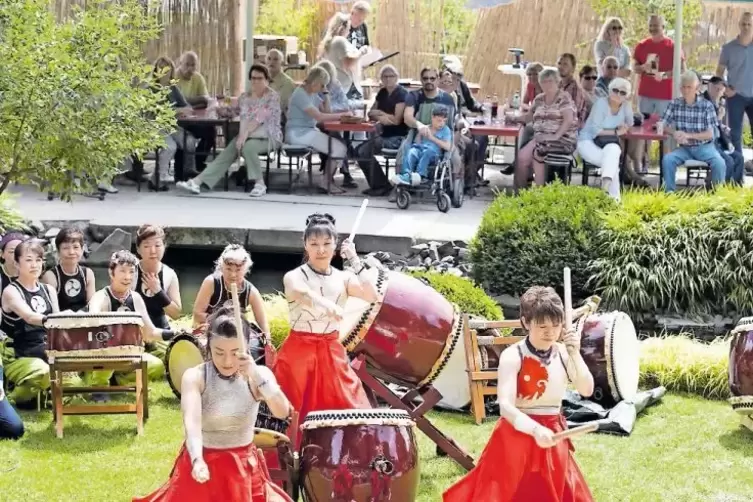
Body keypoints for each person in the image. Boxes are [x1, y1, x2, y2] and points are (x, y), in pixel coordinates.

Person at [443, 286, 594, 502]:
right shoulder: (513, 356)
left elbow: (586, 390)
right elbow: (505, 406)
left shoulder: (562, 352)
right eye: (542, 326)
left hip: (553, 432)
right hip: (516, 435)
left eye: (556, 325)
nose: (550, 332)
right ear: (525, 322)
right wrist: (534, 429)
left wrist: (575, 354)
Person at [132, 307, 292, 502]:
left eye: (235, 353)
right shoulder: (195, 376)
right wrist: (197, 459)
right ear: (208, 347)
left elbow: (282, 411)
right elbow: (192, 423)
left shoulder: (258, 376)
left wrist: (255, 374)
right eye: (219, 352)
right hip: (202, 458)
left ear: (246, 348)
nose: (226, 361)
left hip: (241, 466)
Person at [273, 213, 376, 449]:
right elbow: (300, 292)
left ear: (336, 245)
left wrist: (355, 260)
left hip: (332, 352)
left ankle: (344, 461)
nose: (321, 250)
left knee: (350, 407)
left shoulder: (344, 277)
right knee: (292, 411)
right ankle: (289, 465)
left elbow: (372, 296)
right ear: (305, 245)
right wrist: (325, 304)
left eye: (327, 244)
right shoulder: (294, 275)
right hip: (299, 354)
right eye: (314, 244)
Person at [177, 64, 282, 197]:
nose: (256, 81)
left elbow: (258, 119)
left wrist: (242, 136)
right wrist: (222, 109)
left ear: (267, 80)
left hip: (269, 137)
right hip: (247, 136)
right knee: (228, 152)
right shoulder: (245, 97)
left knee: (247, 147)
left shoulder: (272, 97)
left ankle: (260, 184)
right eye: (253, 78)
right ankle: (197, 182)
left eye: (260, 78)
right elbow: (234, 112)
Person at [1, 240, 76, 406]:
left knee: (74, 382)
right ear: (17, 263)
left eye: (38, 260)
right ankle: (14, 398)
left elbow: (58, 325)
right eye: (28, 260)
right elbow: (29, 316)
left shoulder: (48, 290)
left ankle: (42, 395)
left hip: (46, 349)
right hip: (18, 353)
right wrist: (52, 319)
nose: (34, 265)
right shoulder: (11, 291)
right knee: (43, 372)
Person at [87, 251, 172, 386]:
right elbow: (93, 321)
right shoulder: (101, 297)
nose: (127, 277)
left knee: (156, 366)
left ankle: (118, 380)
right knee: (107, 356)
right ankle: (100, 385)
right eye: (122, 271)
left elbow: (150, 332)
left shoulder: (136, 298)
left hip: (130, 353)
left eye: (131, 272)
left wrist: (175, 334)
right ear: (111, 272)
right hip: (106, 352)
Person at [285, 66, 351, 194]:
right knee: (339, 148)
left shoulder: (312, 94)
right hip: (297, 134)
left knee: (339, 147)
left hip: (307, 132)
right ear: (315, 83)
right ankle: (326, 182)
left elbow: (327, 111)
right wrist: (342, 116)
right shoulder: (300, 94)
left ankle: (327, 181)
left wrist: (326, 94)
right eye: (322, 85)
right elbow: (320, 117)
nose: (323, 88)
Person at [660, 71, 726, 192]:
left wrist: (688, 135)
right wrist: (674, 133)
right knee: (668, 160)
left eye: (689, 87)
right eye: (683, 87)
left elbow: (710, 134)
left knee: (719, 163)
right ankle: (669, 195)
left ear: (697, 88)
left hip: (705, 147)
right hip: (685, 148)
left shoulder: (707, 106)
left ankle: (718, 196)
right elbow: (662, 124)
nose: (686, 90)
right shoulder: (675, 104)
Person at [512, 68, 578, 190]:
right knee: (521, 159)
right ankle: (520, 194)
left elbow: (568, 120)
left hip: (562, 139)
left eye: (550, 81)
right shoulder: (539, 99)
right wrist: (514, 118)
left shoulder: (564, 98)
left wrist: (555, 136)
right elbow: (529, 116)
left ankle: (540, 193)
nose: (547, 84)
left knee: (539, 153)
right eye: (544, 82)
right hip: (541, 138)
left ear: (558, 82)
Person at [192, 245, 270, 338]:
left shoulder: (251, 292)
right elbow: (197, 314)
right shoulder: (211, 282)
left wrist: (267, 342)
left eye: (238, 270)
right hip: (208, 331)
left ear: (245, 270)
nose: (233, 275)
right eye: (228, 269)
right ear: (221, 267)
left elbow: (262, 322)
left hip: (235, 335)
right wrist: (223, 322)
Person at [577, 78, 634, 201]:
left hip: (607, 144)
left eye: (623, 92)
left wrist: (624, 125)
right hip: (587, 141)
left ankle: (605, 190)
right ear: (609, 91)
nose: (618, 94)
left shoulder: (625, 106)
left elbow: (630, 122)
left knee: (614, 150)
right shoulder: (601, 104)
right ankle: (613, 199)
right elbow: (595, 131)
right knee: (612, 162)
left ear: (627, 95)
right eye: (615, 90)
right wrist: (616, 131)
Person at [133, 225, 182, 362]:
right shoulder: (131, 272)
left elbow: (176, 313)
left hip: (160, 332)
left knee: (177, 356)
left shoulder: (169, 274)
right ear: (138, 249)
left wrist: (158, 291)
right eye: (147, 246)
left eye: (157, 245)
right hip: (135, 333)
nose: (153, 251)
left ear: (164, 247)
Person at [357, 64, 407, 195]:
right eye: (385, 76)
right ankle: (379, 184)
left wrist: (381, 115)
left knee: (364, 151)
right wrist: (382, 115)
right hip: (384, 135)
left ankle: (381, 186)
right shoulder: (382, 92)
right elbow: (371, 113)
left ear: (396, 77)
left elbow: (397, 120)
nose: (388, 79)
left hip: (399, 138)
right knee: (360, 151)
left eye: (391, 76)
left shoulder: (401, 93)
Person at [633, 15, 684, 120]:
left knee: (664, 129)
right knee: (643, 127)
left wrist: (664, 75)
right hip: (645, 95)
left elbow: (682, 70)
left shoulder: (673, 46)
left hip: (666, 96)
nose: (652, 28)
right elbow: (634, 67)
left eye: (656, 25)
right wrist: (642, 67)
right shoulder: (642, 45)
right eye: (650, 25)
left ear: (663, 26)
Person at [716, 11, 753, 154]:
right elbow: (719, 72)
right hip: (736, 96)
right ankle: (738, 173)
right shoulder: (728, 48)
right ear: (739, 25)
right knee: (735, 135)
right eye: (743, 24)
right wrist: (725, 88)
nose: (746, 27)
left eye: (749, 24)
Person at [174, 51, 214, 175]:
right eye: (187, 65)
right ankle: (180, 172)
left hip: (193, 119)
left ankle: (198, 163)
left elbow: (206, 100)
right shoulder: (173, 78)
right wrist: (193, 102)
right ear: (180, 64)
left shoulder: (198, 78)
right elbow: (176, 104)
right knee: (185, 138)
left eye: (193, 65)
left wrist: (188, 103)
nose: (190, 68)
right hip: (176, 121)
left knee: (211, 132)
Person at [391, 105, 452, 186]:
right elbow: (417, 142)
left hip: (434, 153)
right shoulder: (426, 127)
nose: (441, 123)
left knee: (427, 152)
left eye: (444, 121)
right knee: (411, 152)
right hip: (420, 149)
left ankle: (420, 175)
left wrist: (431, 138)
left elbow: (447, 146)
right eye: (439, 120)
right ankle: (406, 175)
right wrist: (420, 134)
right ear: (432, 118)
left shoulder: (445, 130)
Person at [41, 227, 95, 312]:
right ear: (58, 251)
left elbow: (92, 305)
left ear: (82, 250)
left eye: (76, 247)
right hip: (59, 321)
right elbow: (50, 309)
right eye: (66, 248)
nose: (71, 252)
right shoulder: (51, 276)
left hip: (84, 320)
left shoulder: (88, 274)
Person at [703, 76, 744, 185]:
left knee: (739, 158)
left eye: (721, 91)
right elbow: (706, 125)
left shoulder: (714, 102)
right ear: (710, 86)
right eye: (717, 89)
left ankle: (735, 187)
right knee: (729, 161)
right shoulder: (703, 102)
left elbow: (716, 126)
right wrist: (719, 118)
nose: (719, 93)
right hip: (707, 143)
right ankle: (721, 189)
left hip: (717, 142)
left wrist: (722, 126)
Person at [557, 53, 589, 126]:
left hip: (571, 127)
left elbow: (573, 115)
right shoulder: (558, 84)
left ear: (573, 68)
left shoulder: (575, 89)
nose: (561, 66)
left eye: (565, 64)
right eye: (559, 63)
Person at [266, 49, 296, 115]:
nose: (271, 62)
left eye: (275, 59)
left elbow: (280, 106)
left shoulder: (287, 83)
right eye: (269, 58)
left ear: (281, 63)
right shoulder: (263, 80)